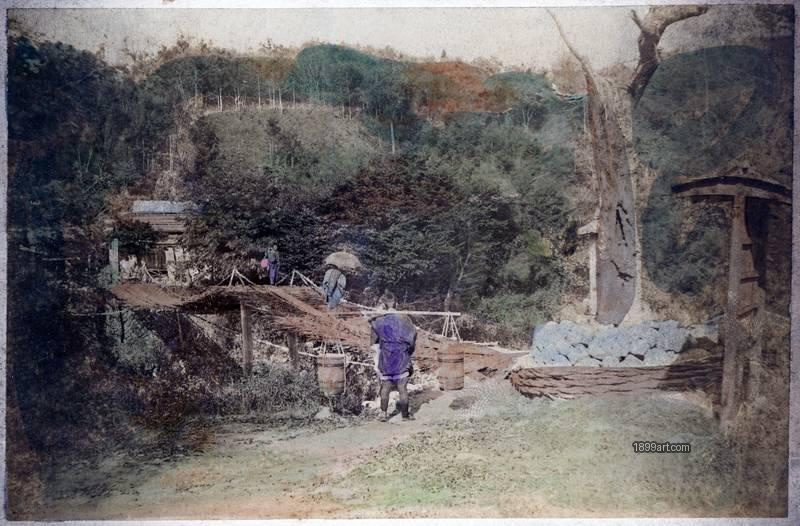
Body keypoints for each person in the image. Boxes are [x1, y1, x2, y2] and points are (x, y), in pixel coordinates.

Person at [370, 292, 417, 421]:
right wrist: (409, 352)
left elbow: (374, 341)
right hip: (401, 358)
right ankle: (405, 416)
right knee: (402, 388)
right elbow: (412, 338)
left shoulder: (379, 321)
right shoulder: (404, 319)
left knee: (385, 387)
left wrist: (373, 319)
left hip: (386, 359)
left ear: (384, 305)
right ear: (396, 304)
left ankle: (383, 414)